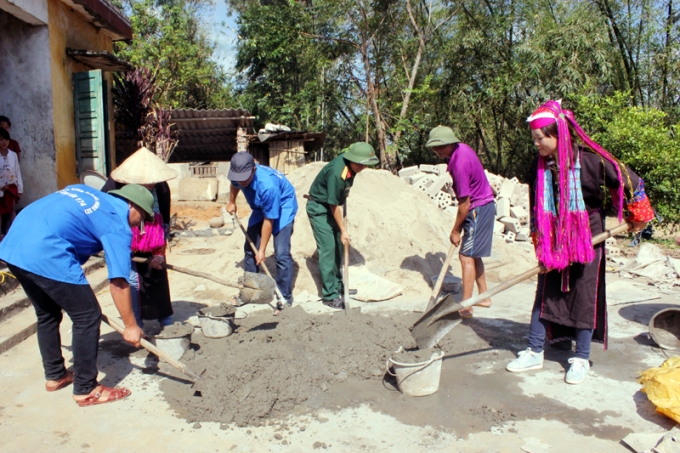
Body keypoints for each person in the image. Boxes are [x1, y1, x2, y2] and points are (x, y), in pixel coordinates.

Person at [505, 100, 654, 384]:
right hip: (553, 240)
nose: (536, 144)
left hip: (588, 239)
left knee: (584, 296)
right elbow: (536, 206)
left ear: (558, 134)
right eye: (534, 139)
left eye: (540, 138)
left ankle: (581, 358)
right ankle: (535, 351)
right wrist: (541, 241)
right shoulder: (539, 167)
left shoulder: (591, 159)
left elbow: (630, 180)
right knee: (545, 293)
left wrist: (638, 215)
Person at [0, 184, 154, 405]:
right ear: (132, 205)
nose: (138, 224)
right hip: (46, 251)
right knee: (87, 315)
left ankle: (55, 375)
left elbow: (71, 222)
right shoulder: (116, 224)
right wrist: (130, 325)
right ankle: (86, 388)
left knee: (48, 313)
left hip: (14, 246)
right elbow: (119, 282)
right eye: (141, 218)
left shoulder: (84, 190)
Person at [102, 147, 177, 328]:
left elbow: (164, 221)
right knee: (132, 280)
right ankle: (136, 324)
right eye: (146, 181)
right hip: (125, 238)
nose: (151, 184)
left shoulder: (161, 187)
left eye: (153, 181)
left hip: (153, 239)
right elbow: (106, 217)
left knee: (157, 276)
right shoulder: (114, 186)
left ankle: (165, 320)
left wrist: (160, 252)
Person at [425, 126, 495, 318]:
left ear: (452, 142)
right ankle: (484, 296)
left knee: (465, 257)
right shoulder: (460, 150)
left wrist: (455, 229)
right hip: (482, 206)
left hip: (477, 210)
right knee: (473, 254)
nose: (438, 151)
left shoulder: (460, 163)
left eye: (442, 147)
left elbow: (464, 203)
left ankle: (466, 305)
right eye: (435, 148)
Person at [306, 142, 378, 309]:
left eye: (365, 164)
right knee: (328, 249)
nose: (362, 167)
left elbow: (339, 198)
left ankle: (339, 285)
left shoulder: (351, 168)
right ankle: (329, 295)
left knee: (339, 246)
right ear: (351, 159)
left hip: (330, 206)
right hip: (319, 208)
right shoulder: (337, 173)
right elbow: (333, 205)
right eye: (360, 164)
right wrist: (344, 230)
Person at [226, 152, 298, 313]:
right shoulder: (237, 174)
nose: (241, 181)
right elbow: (234, 184)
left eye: (244, 178)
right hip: (261, 208)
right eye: (238, 178)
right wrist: (231, 202)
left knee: (281, 253)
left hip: (283, 206)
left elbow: (269, 220)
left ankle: (284, 297)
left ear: (253, 170)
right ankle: (251, 292)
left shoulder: (267, 185)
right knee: (249, 250)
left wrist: (262, 250)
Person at [0, 127, 22, 237]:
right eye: (1, 140)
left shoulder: (12, 154)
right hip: (1, 187)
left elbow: (17, 170)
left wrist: (20, 188)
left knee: (12, 209)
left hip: (11, 186)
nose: (4, 142)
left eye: (6, 140)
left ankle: (13, 232)